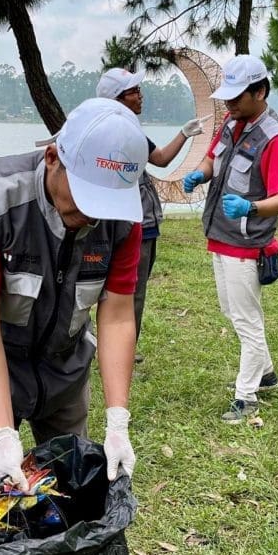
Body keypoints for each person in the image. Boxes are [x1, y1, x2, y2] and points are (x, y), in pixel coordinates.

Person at [0, 98, 143, 489]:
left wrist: (117, 420)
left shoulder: (124, 219)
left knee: (69, 487)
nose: (93, 215)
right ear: (52, 158)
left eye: (106, 201)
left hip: (63, 367)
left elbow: (118, 315)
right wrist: (4, 436)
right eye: (85, 194)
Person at [180, 55, 278, 424]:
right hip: (219, 235)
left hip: (246, 244)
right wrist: (198, 175)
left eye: (236, 97)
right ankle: (267, 375)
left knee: (247, 321)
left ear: (260, 91)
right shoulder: (232, 122)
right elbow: (212, 159)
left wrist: (250, 207)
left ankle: (246, 397)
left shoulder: (276, 139)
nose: (228, 104)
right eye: (226, 97)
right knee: (235, 314)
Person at [95, 68, 211, 363]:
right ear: (118, 100)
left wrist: (184, 133)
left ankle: (120, 344)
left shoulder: (126, 131)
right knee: (128, 288)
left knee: (128, 287)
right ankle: (119, 347)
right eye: (133, 91)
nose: (140, 96)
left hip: (141, 221)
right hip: (131, 222)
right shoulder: (112, 133)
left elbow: (158, 159)